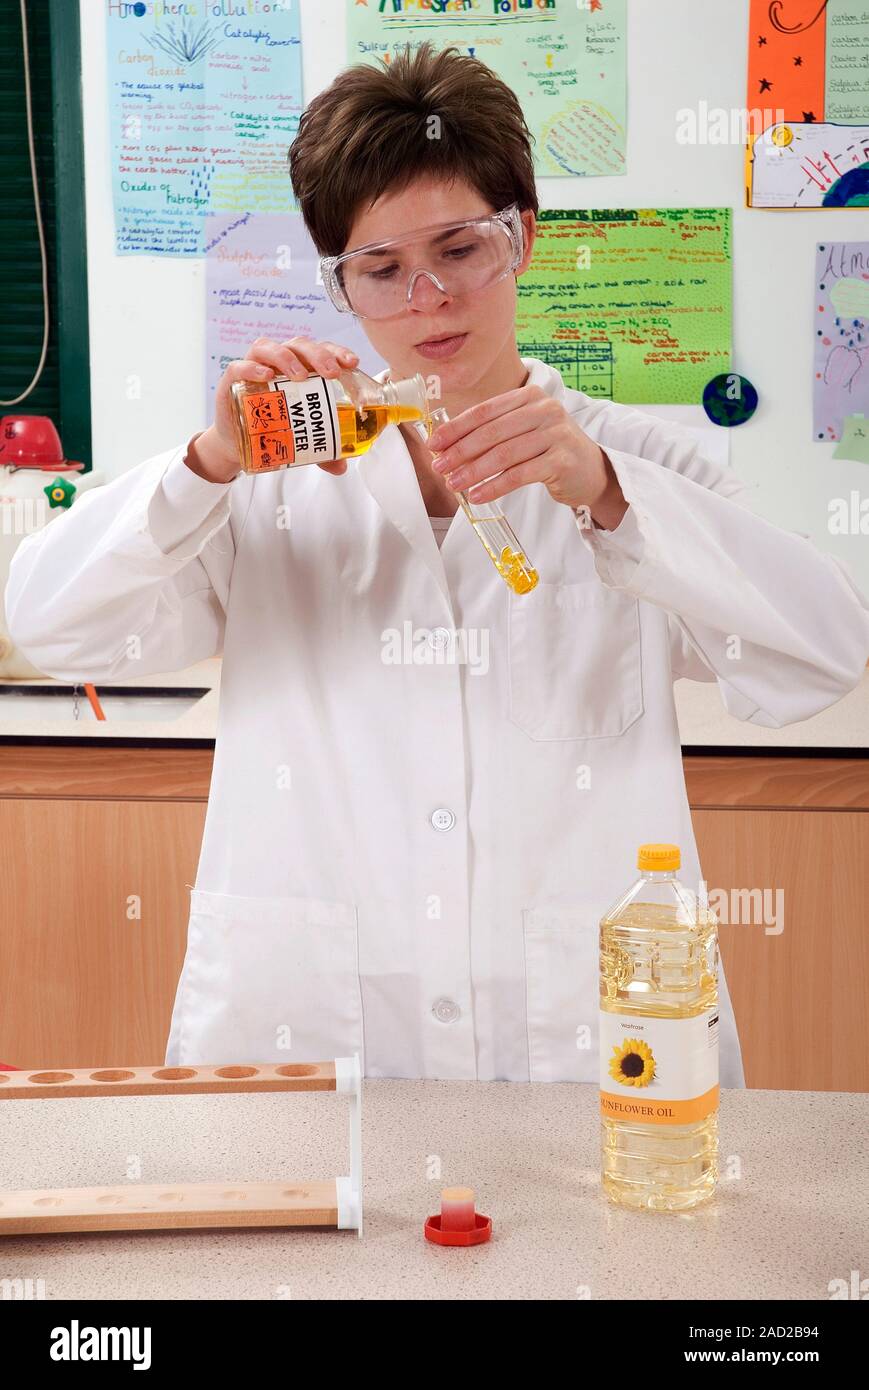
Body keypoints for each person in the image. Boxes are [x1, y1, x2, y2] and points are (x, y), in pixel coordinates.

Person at [6, 45, 869, 1086]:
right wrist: (211, 461)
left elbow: (826, 653)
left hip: (581, 1056)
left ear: (522, 239)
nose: (427, 298)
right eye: (379, 269)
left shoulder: (638, 466)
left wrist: (605, 493)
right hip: (313, 1046)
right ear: (342, 285)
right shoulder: (269, 481)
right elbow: (49, 626)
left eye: (460, 247)